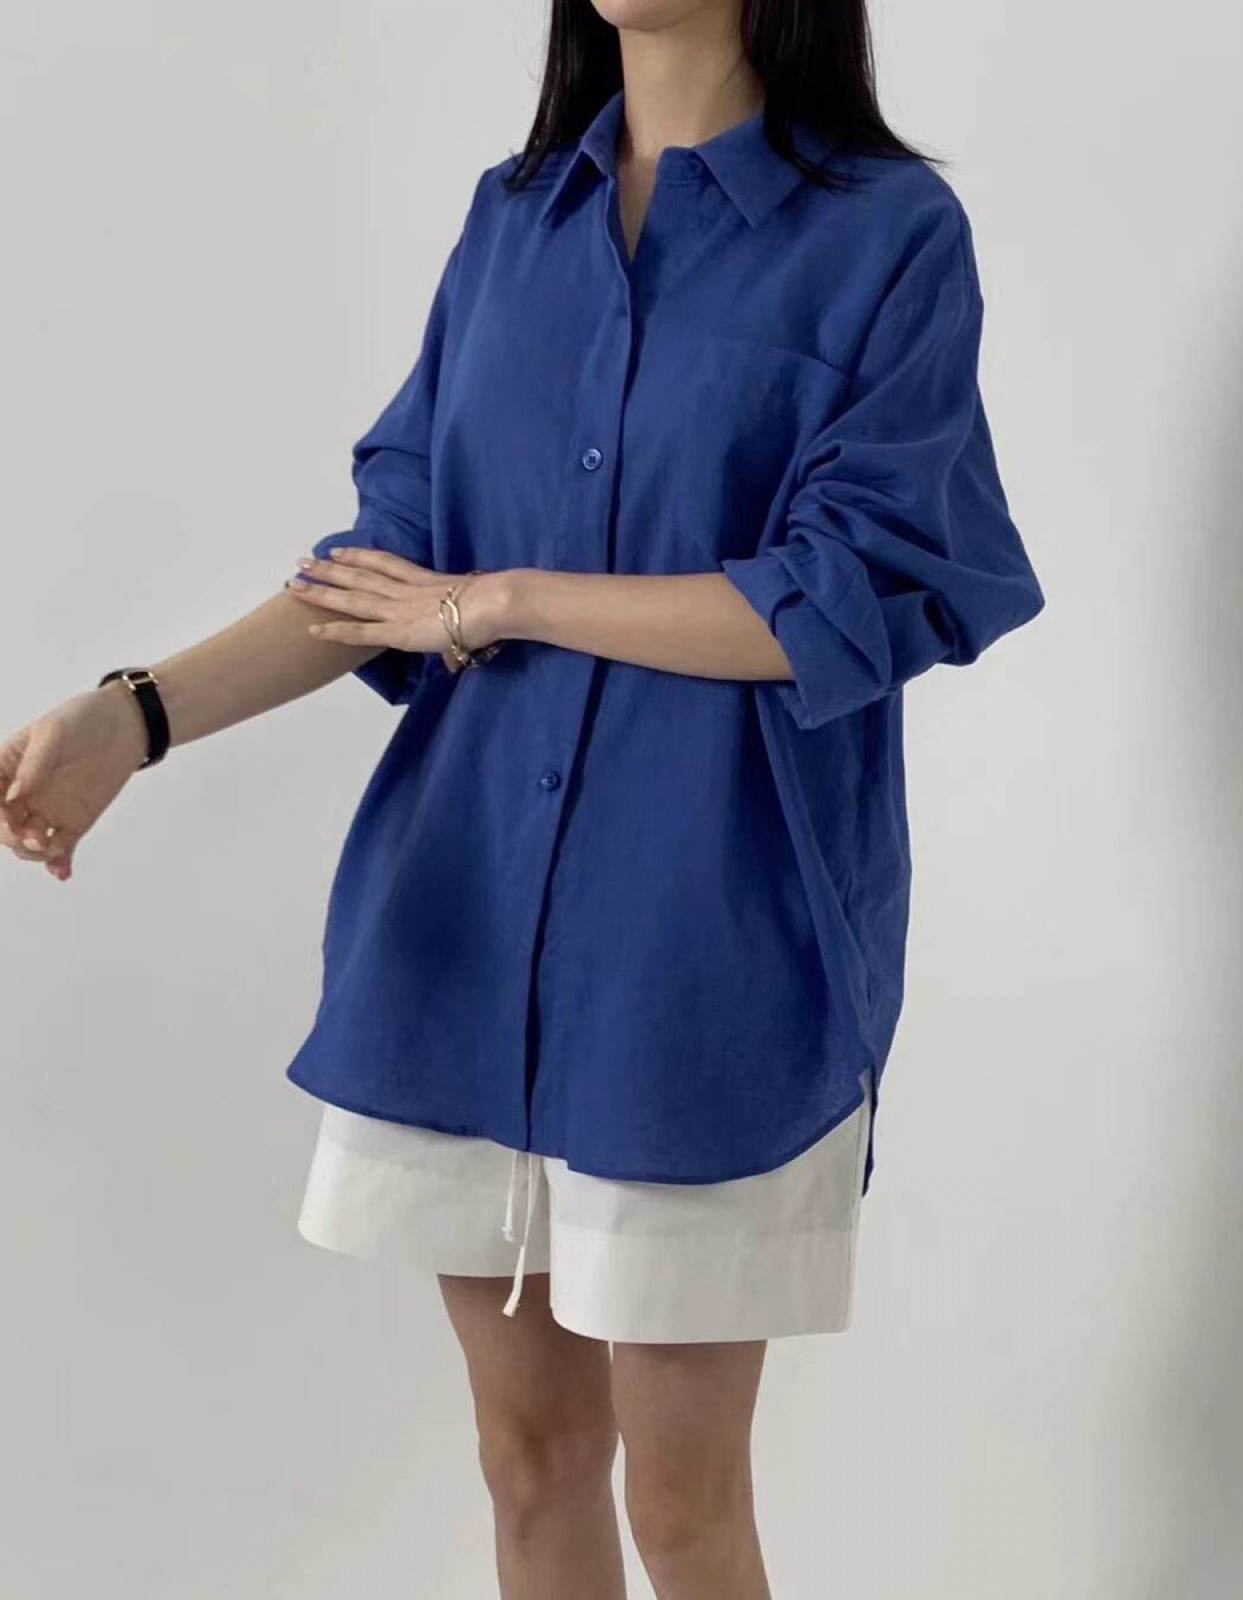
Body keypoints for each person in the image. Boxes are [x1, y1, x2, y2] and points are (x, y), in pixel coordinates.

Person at [1, 2, 1045, 1595]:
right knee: (529, 1464)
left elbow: (842, 598)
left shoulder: (884, 234)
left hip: (705, 957)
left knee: (684, 1506)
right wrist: (132, 719)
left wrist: (507, 601)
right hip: (473, 925)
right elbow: (385, 569)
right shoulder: (515, 221)